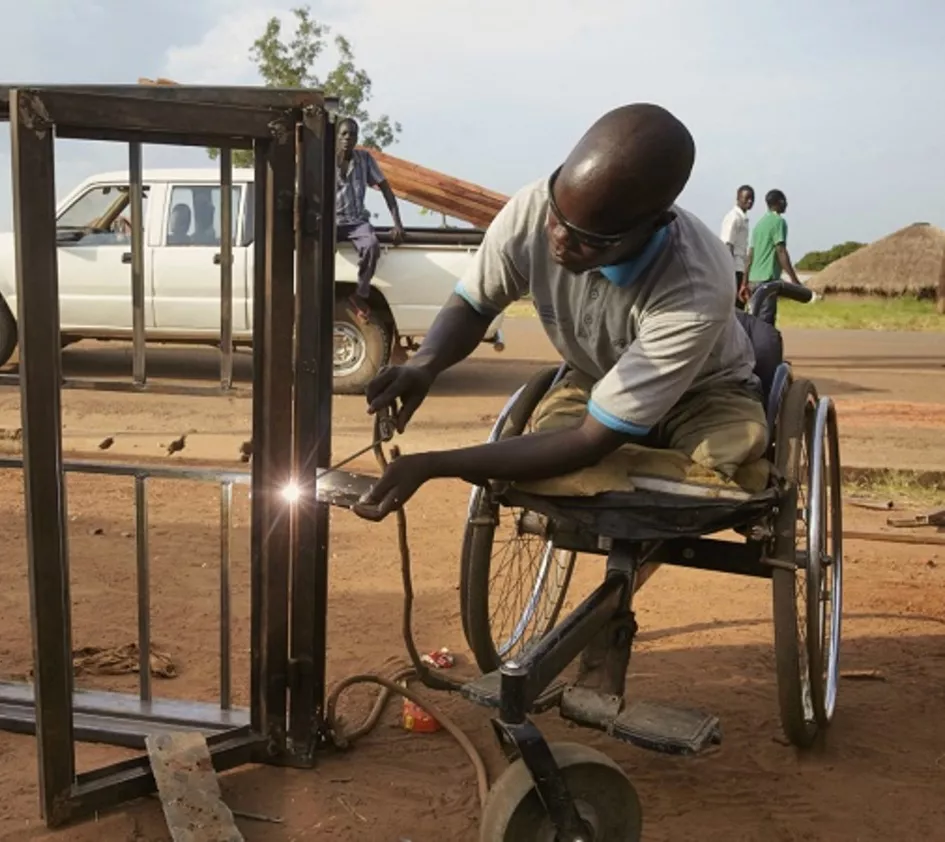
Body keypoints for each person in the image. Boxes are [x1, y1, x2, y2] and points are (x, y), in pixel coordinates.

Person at [351, 103, 768, 522]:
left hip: (704, 393)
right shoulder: (534, 207)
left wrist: (436, 465)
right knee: (551, 454)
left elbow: (589, 438)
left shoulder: (693, 287)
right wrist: (424, 365)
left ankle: (626, 470)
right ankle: (624, 468)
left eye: (587, 238)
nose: (557, 238)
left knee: (724, 474)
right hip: (593, 376)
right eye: (557, 215)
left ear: (655, 225)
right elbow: (475, 304)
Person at [336, 117, 406, 320]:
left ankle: (359, 294)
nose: (348, 138)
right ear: (337, 137)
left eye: (352, 134)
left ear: (357, 137)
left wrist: (397, 223)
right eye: (344, 134)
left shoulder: (364, 159)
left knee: (372, 246)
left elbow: (385, 188)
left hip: (357, 221)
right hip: (331, 221)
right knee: (317, 253)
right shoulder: (325, 159)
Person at [745, 189, 801, 324]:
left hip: (753, 281)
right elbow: (781, 251)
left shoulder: (759, 225)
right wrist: (795, 281)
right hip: (767, 281)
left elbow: (750, 255)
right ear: (779, 202)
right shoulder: (778, 222)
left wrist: (745, 282)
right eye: (784, 201)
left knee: (754, 322)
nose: (786, 204)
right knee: (765, 323)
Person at [719, 185, 754, 309]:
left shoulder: (743, 218)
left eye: (752, 199)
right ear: (738, 198)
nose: (749, 201)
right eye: (746, 198)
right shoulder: (733, 217)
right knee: (734, 307)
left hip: (740, 268)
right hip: (733, 269)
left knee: (740, 306)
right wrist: (728, 271)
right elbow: (727, 244)